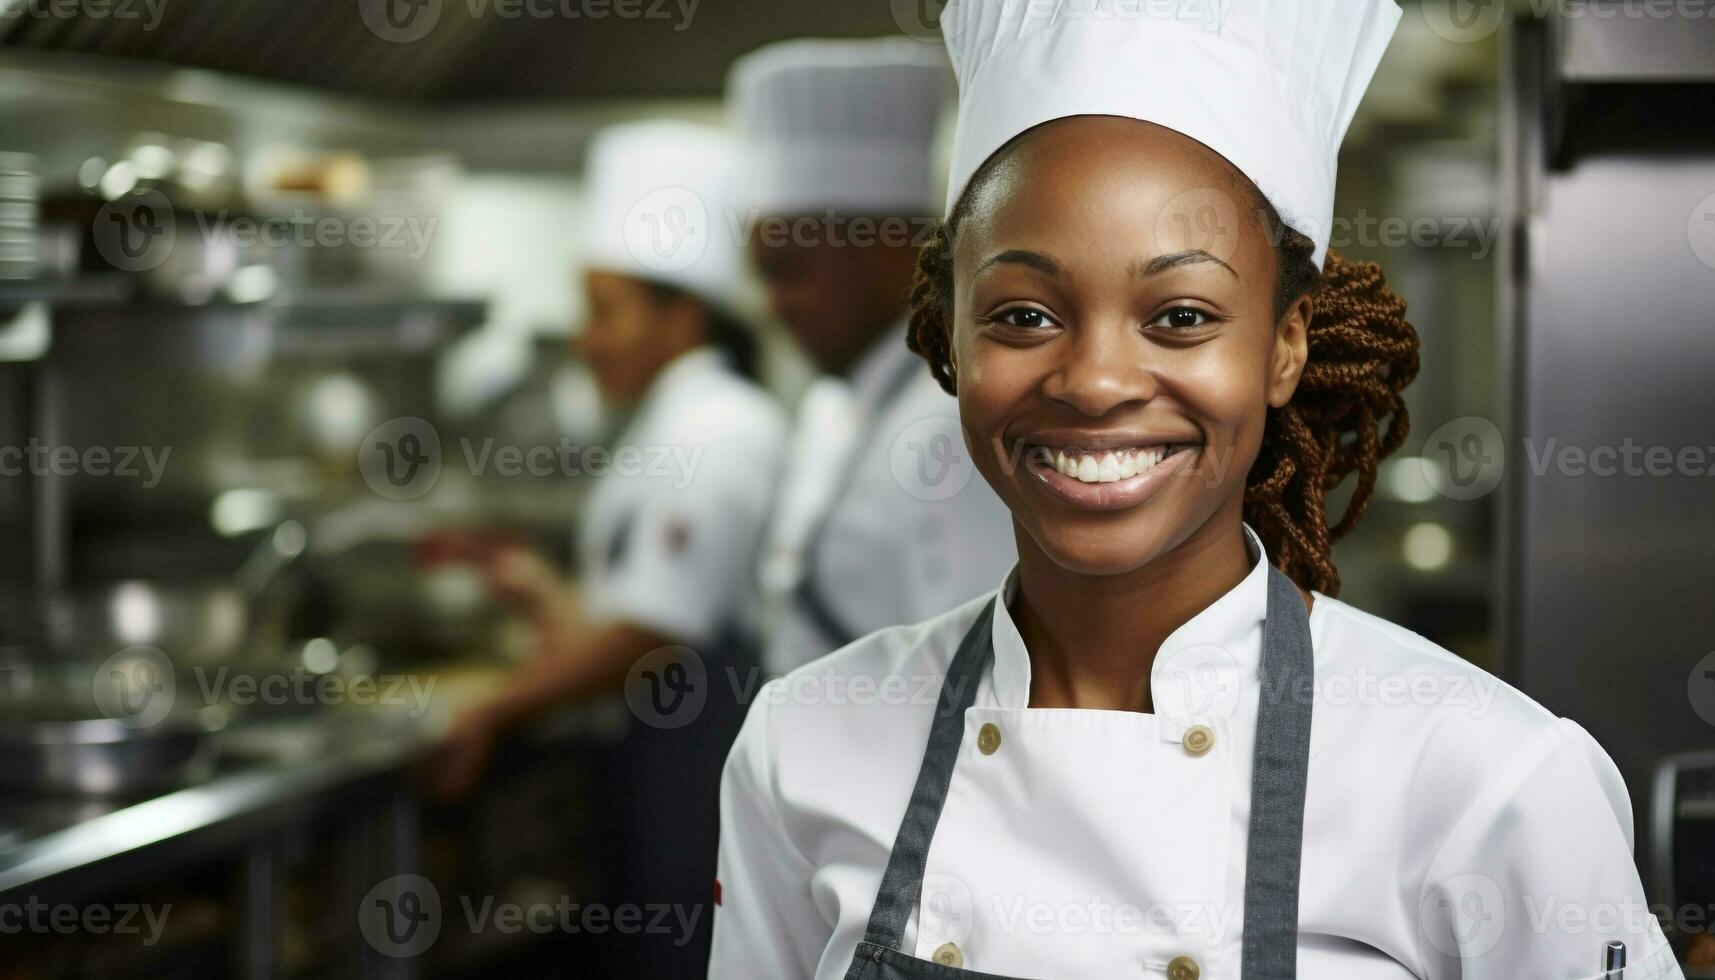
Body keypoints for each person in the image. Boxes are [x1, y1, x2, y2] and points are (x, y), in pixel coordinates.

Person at [709, 3, 1684, 979]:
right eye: (1021, 312)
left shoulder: (1485, 777)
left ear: (1283, 344)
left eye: (1178, 314)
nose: (1093, 381)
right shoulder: (801, 744)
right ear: (948, 335)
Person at [433, 120, 786, 976]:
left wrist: (489, 709)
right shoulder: (672, 416)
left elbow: (652, 631)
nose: (585, 339)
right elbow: (639, 607)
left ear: (682, 313)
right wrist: (540, 588)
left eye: (605, 311)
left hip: (696, 758)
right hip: (655, 755)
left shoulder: (718, 425)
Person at [728, 38, 1017, 676]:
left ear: (893, 249)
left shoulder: (950, 422)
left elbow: (973, 675)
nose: (770, 305)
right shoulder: (833, 404)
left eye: (788, 271)